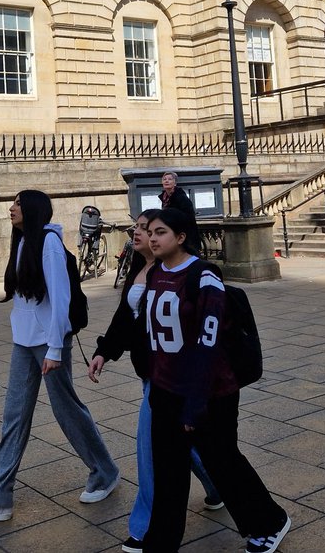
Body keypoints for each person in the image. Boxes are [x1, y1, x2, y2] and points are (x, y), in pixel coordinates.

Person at [0, 190, 119, 524]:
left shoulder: (47, 243)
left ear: (31, 209)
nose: (11, 209)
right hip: (24, 342)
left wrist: (56, 349)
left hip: (49, 343)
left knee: (67, 410)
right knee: (14, 416)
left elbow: (60, 298)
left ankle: (104, 472)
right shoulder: (21, 241)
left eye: (17, 204)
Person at [140, 207, 290, 553]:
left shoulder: (203, 277)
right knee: (167, 472)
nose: (152, 237)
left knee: (223, 462)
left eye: (160, 232)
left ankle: (270, 521)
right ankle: (160, 543)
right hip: (165, 391)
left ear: (180, 237)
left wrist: (195, 404)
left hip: (210, 393)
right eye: (150, 231)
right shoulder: (155, 274)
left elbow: (208, 346)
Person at [87, 210, 222, 553]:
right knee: (181, 446)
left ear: (172, 236)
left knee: (148, 449)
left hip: (171, 376)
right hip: (151, 373)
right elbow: (126, 318)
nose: (138, 232)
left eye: (148, 229)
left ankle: (144, 526)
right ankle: (219, 486)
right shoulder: (142, 269)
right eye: (139, 227)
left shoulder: (173, 273)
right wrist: (105, 350)